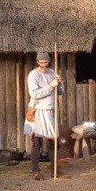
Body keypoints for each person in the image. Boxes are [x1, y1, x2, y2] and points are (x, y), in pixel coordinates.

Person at [24, 51, 68, 180]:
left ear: (49, 61)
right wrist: (50, 86)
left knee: (54, 142)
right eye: (41, 62)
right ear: (37, 62)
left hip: (50, 111)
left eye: (45, 62)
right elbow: (34, 94)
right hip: (37, 111)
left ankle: (54, 170)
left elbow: (60, 92)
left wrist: (59, 83)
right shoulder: (33, 74)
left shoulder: (53, 73)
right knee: (36, 143)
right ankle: (35, 171)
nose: (43, 65)